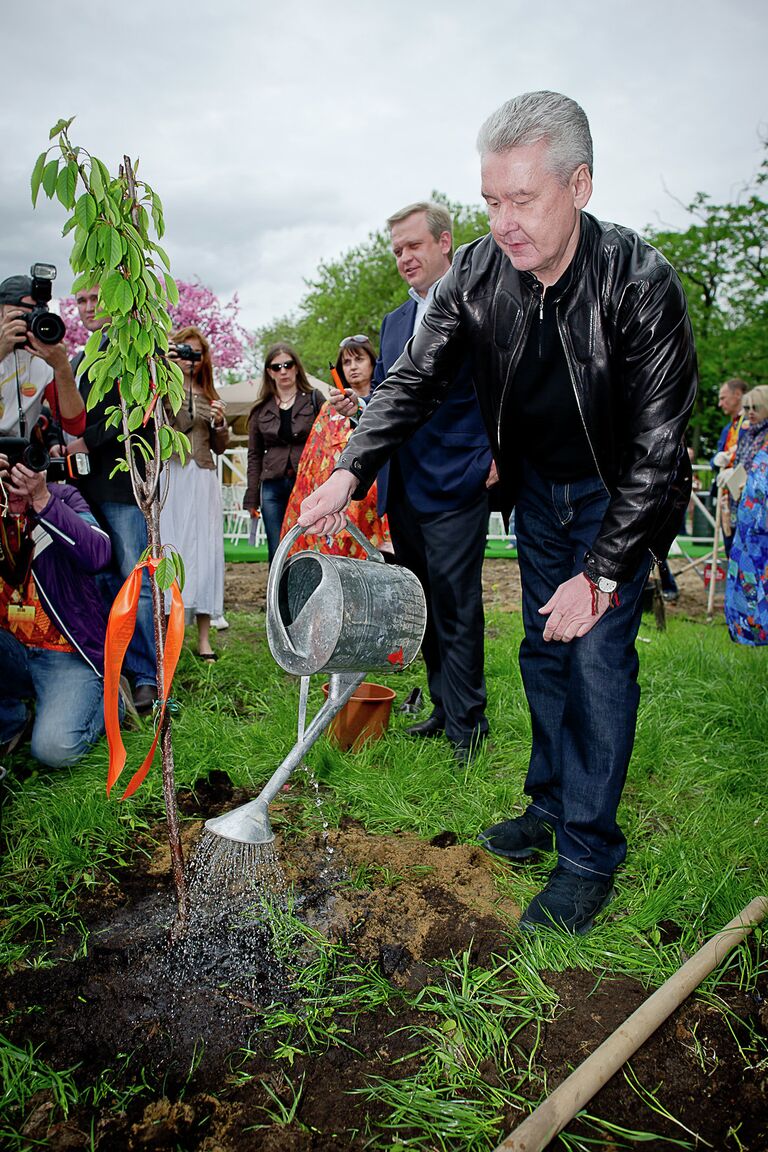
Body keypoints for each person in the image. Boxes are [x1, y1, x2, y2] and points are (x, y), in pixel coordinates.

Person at [299, 91, 697, 935]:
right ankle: (550, 808)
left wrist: (605, 570)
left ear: (579, 185)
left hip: (618, 494)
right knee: (542, 652)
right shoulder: (477, 274)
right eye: (490, 200)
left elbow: (660, 447)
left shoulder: (641, 282)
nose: (504, 221)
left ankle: (589, 854)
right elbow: (411, 377)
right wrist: (352, 468)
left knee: (592, 657)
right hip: (538, 495)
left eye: (524, 199)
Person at [331, 202, 494, 762]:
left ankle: (468, 726)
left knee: (456, 604)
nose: (404, 257)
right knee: (421, 604)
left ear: (445, 243)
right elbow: (389, 402)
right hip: (402, 485)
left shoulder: (480, 306)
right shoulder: (395, 322)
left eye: (414, 245)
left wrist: (498, 456)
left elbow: (501, 391)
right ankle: (445, 708)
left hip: (457, 481)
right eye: (397, 249)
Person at [66, 285, 158, 715]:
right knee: (100, 580)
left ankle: (146, 675)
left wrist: (83, 441)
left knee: (134, 582)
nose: (87, 307)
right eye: (80, 301)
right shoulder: (76, 361)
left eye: (95, 298)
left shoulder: (133, 349)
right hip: (82, 490)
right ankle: (113, 668)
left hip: (123, 486)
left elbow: (136, 412)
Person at [0, 450, 117, 767]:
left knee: (55, 750)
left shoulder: (63, 496)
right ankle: (12, 718)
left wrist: (42, 500)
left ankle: (111, 701)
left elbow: (98, 554)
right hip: (9, 650)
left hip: (65, 651)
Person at [281, 335, 390, 558]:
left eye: (359, 359)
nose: (353, 367)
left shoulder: (388, 402)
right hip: (339, 504)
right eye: (346, 363)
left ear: (373, 362)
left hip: (378, 503)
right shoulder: (329, 410)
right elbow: (312, 462)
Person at [161, 327, 229, 661]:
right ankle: (169, 631)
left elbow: (219, 447)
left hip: (202, 476)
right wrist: (169, 372)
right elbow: (168, 424)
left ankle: (203, 637)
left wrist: (219, 424)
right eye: (185, 351)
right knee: (175, 547)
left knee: (204, 551)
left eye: (196, 354)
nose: (191, 359)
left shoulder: (210, 391)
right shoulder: (162, 387)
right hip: (173, 474)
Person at [243, 344, 324, 563]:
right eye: (276, 367)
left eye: (288, 365)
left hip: (308, 484)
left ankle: (310, 595)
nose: (283, 371)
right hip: (272, 486)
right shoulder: (261, 409)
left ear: (296, 367)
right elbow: (254, 455)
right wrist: (251, 497)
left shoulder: (314, 399)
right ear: (269, 372)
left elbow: (328, 440)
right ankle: (277, 597)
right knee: (277, 548)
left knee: (309, 543)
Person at [0, 273, 84, 438]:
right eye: (20, 316)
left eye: (34, 317)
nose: (27, 323)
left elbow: (75, 426)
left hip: (18, 452)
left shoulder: (44, 361)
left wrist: (62, 368)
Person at [722, 386, 768, 645]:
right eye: (747, 407)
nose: (749, 413)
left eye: (755, 408)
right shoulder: (749, 434)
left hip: (763, 522)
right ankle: (748, 629)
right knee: (745, 578)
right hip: (746, 515)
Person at [711, 377, 748, 555]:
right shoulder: (728, 428)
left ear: (738, 395)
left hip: (743, 499)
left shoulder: (751, 425)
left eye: (723, 398)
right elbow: (715, 459)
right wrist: (717, 460)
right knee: (729, 550)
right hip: (726, 498)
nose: (720, 404)